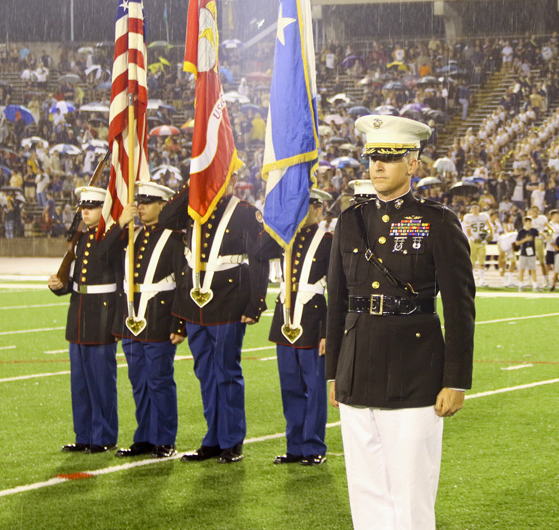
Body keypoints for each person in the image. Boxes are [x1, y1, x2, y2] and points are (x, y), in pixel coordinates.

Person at [327, 115, 475, 530]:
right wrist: (334, 371)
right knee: (366, 487)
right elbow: (337, 302)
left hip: (416, 369)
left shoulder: (436, 220)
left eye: (389, 158)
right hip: (357, 365)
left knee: (411, 490)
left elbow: (460, 306)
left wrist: (456, 380)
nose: (377, 166)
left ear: (412, 164)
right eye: (373, 157)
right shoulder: (350, 220)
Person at [158, 177, 269, 464]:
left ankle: (231, 441)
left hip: (229, 300)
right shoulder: (194, 207)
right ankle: (213, 439)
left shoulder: (245, 213)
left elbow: (259, 259)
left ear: (232, 178)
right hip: (194, 304)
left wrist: (256, 303)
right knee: (205, 373)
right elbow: (166, 218)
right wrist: (194, 184)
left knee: (226, 372)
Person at [252, 189, 332, 466]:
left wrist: (328, 332)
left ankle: (313, 446)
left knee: (314, 388)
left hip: (313, 322)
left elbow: (337, 291)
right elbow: (258, 252)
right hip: (285, 321)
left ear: (318, 210)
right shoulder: (285, 238)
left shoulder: (328, 241)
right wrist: (278, 223)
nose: (297, 210)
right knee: (290, 387)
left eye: (304, 205)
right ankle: (295, 446)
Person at [111, 183, 187, 459]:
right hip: (132, 319)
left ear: (163, 205)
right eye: (139, 202)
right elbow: (105, 256)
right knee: (139, 381)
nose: (140, 207)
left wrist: (179, 324)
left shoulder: (175, 239)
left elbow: (182, 284)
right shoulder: (132, 236)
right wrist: (121, 224)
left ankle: (165, 439)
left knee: (159, 381)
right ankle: (144, 436)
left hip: (158, 318)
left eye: (147, 202)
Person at [48, 187, 120, 454]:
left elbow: (117, 279)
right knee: (79, 383)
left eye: (91, 207)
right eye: (83, 208)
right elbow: (75, 281)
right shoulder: (80, 240)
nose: (85, 212)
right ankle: (84, 435)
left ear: (104, 210)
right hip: (78, 315)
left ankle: (104, 436)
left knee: (101, 381)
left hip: (102, 316)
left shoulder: (111, 240)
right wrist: (59, 285)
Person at [463, 203, 491, 287]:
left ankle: (481, 280)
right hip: (473, 241)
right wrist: (473, 238)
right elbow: (468, 230)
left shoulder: (484, 216)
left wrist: (488, 235)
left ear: (479, 208)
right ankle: (471, 280)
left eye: (476, 207)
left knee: (482, 261)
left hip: (482, 242)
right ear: (471, 209)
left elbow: (489, 227)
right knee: (472, 262)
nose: (475, 209)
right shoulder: (468, 217)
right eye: (473, 208)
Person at [515, 216, 539, 292]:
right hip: (523, 253)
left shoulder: (533, 231)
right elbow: (517, 243)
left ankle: (535, 286)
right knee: (522, 270)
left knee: (533, 269)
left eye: (530, 223)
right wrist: (525, 239)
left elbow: (539, 234)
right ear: (525, 223)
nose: (530, 224)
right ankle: (520, 285)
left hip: (532, 253)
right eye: (528, 223)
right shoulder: (521, 232)